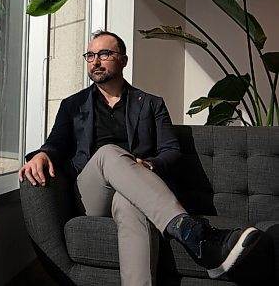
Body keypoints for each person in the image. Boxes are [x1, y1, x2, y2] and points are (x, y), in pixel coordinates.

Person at [18, 30, 262, 286]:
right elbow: (56, 142)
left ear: (123, 60)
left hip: (135, 191)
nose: (95, 61)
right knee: (108, 153)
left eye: (104, 53)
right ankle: (190, 231)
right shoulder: (73, 105)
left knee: (129, 203)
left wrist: (150, 165)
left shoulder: (151, 104)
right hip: (92, 194)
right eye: (90, 55)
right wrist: (42, 154)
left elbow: (172, 152)